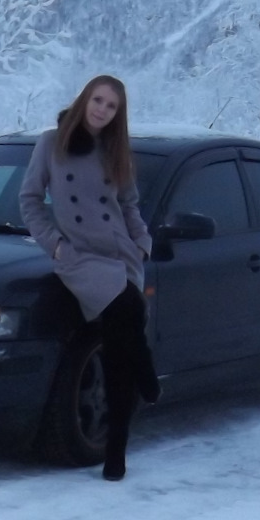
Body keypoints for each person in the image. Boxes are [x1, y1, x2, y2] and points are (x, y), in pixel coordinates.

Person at [18, 74, 161, 480]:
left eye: (111, 106)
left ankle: (116, 451)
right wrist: (55, 246)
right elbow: (29, 200)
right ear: (84, 99)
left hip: (120, 252)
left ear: (118, 114)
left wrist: (143, 242)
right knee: (130, 310)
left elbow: (129, 205)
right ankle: (148, 374)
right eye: (97, 100)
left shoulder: (117, 150)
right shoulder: (52, 142)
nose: (101, 109)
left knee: (117, 353)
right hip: (79, 257)